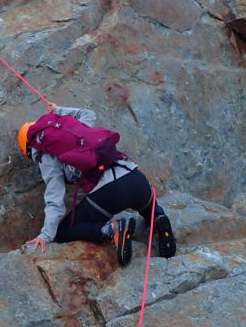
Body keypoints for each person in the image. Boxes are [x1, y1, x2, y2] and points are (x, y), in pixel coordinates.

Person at [18, 101, 177, 265]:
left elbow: (55, 199)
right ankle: (158, 218)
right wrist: (59, 110)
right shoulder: (76, 131)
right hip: (134, 177)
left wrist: (46, 235)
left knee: (64, 231)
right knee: (149, 208)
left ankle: (112, 228)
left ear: (30, 148)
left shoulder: (46, 157)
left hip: (109, 191)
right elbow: (88, 114)